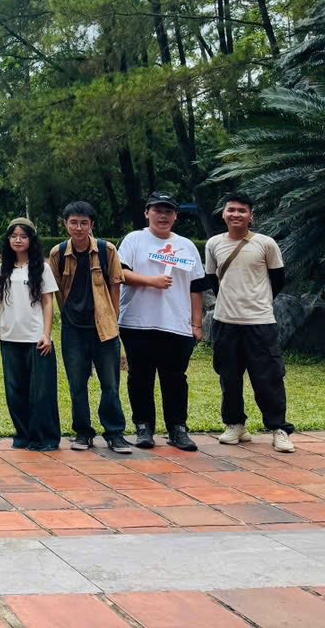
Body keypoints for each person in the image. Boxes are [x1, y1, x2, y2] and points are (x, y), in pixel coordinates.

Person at [204, 192, 294, 453]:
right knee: (229, 377)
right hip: (225, 322)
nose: (236, 214)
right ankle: (235, 424)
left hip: (260, 322)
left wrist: (258, 301)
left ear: (251, 216)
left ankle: (278, 429)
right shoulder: (213, 244)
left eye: (242, 210)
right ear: (223, 214)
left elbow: (278, 280)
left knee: (268, 378)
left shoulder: (266, 244)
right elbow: (212, 279)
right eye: (231, 209)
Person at [118, 191, 207, 452]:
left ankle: (177, 428)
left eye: (168, 211)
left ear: (176, 216)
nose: (163, 216)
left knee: (175, 378)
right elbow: (120, 273)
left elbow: (196, 287)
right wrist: (151, 281)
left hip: (176, 324)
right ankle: (143, 426)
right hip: (137, 322)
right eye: (158, 210)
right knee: (140, 377)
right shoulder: (134, 240)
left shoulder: (186, 246)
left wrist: (197, 324)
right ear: (147, 212)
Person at [48, 202, 131, 455]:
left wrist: (113, 320)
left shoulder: (107, 250)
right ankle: (83, 432)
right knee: (77, 384)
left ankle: (114, 433)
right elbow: (54, 290)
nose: (79, 228)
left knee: (110, 384)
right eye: (73, 222)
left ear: (92, 225)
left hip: (104, 328)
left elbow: (115, 287)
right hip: (73, 329)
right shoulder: (58, 253)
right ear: (65, 224)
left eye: (84, 223)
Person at [0, 218, 60, 451]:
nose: (18, 240)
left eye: (23, 236)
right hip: (10, 337)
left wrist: (46, 334)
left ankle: (45, 438)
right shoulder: (4, 268)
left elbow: (48, 302)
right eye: (13, 236)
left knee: (40, 392)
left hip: (35, 338)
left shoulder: (42, 268)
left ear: (31, 240)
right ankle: (23, 435)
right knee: (15, 390)